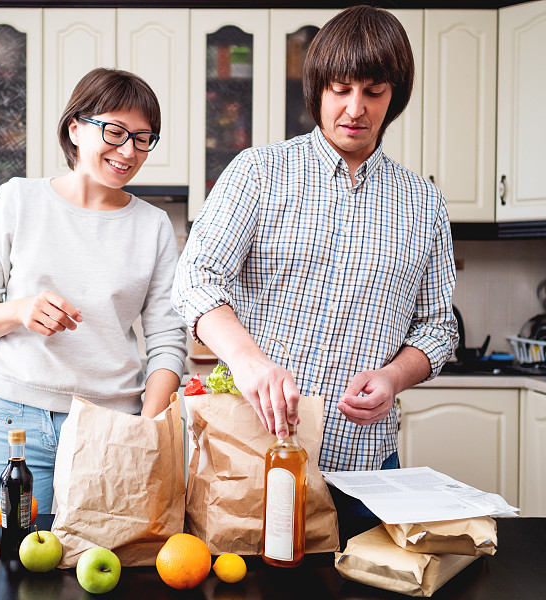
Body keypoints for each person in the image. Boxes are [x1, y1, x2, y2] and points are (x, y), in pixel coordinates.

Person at [171, 5, 458, 540]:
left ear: (395, 96)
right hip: (256, 454)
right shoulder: (260, 172)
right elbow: (195, 278)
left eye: (373, 91)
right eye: (341, 88)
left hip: (367, 469)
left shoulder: (424, 203)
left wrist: (394, 378)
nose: (355, 108)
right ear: (317, 89)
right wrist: (249, 360)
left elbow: (439, 328)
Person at [0, 68, 187, 515]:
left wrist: (147, 427)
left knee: (102, 568)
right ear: (75, 127)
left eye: (143, 138)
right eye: (115, 131)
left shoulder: (154, 226)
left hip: (111, 425)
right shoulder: (18, 200)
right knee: (10, 568)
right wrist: (18, 311)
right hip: (13, 423)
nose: (128, 151)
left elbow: (167, 341)